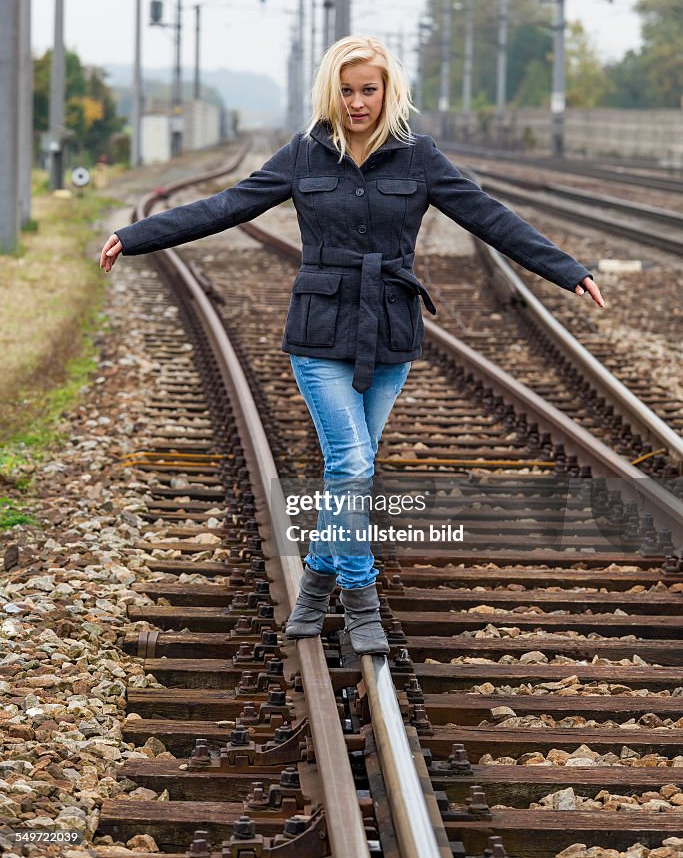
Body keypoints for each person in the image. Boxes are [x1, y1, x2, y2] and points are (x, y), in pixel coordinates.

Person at [100, 34, 604, 655]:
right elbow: (227, 206)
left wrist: (567, 269)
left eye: (369, 89)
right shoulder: (303, 155)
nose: (358, 101)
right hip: (318, 332)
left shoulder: (419, 158)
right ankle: (361, 601)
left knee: (351, 474)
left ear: (389, 92)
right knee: (351, 465)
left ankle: (316, 579)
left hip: (391, 332)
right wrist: (137, 235)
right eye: (346, 90)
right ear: (329, 93)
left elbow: (488, 215)